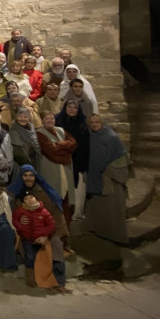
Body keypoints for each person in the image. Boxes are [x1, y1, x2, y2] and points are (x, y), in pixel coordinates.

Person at [9, 164, 70, 291]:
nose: (28, 178)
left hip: (49, 230)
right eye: (25, 175)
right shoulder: (16, 193)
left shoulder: (45, 193)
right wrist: (20, 222)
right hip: (26, 231)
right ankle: (32, 278)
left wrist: (45, 235)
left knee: (56, 247)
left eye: (31, 175)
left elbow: (54, 217)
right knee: (27, 251)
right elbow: (13, 214)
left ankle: (59, 282)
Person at [84, 114, 130, 244]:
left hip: (109, 179)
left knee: (113, 209)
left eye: (97, 122)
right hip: (93, 177)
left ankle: (116, 236)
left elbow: (122, 157)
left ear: (102, 123)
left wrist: (110, 172)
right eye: (91, 122)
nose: (94, 125)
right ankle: (99, 231)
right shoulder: (89, 136)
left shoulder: (111, 137)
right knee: (98, 207)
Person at [12, 190, 58, 289]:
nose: (29, 200)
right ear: (23, 202)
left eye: (31, 197)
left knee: (42, 258)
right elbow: (15, 221)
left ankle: (42, 278)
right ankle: (30, 277)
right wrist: (20, 226)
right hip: (27, 239)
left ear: (36, 199)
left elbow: (51, 225)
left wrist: (44, 235)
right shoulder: (20, 211)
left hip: (40, 240)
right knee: (29, 257)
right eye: (26, 199)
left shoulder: (43, 211)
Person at [36, 111, 77, 220]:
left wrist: (61, 144)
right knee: (53, 199)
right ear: (42, 120)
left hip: (65, 170)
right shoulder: (39, 133)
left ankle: (66, 232)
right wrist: (67, 153)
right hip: (51, 170)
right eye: (47, 119)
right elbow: (51, 151)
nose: (50, 121)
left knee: (67, 200)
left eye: (51, 118)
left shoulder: (61, 130)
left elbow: (73, 144)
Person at [57, 99, 90, 220]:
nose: (71, 109)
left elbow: (86, 144)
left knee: (79, 188)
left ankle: (78, 212)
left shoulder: (83, 123)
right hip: (62, 160)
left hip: (79, 161)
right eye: (69, 107)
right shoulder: (58, 121)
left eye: (74, 107)